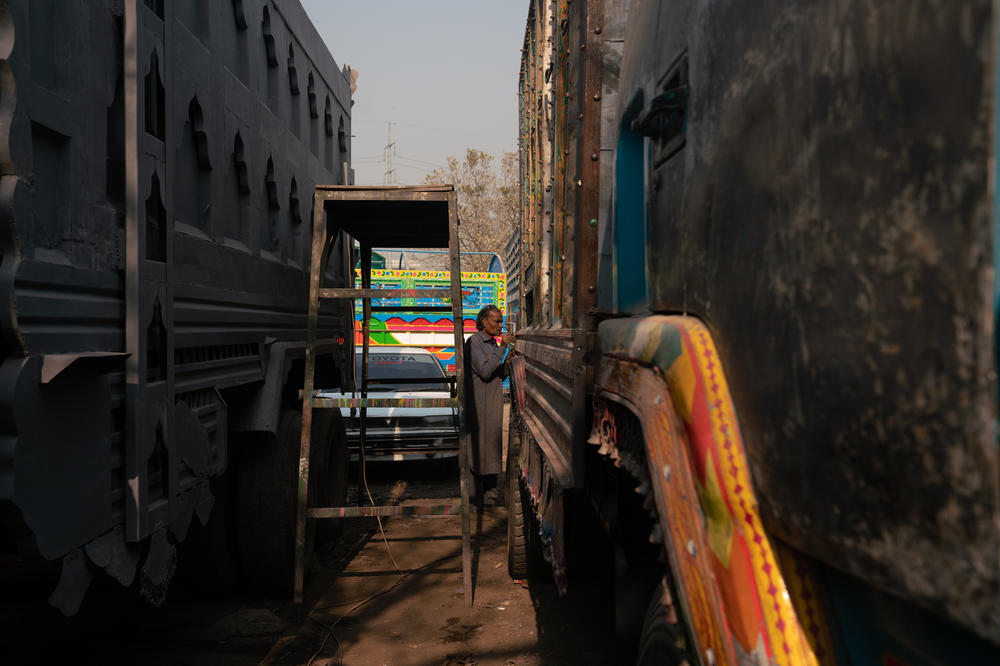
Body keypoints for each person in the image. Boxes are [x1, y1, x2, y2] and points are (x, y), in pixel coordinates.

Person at [464, 304, 515, 507]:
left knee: (492, 450)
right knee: (477, 452)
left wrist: (507, 362)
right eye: (497, 321)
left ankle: (491, 497)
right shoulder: (474, 342)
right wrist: (503, 348)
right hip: (478, 407)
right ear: (484, 322)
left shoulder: (493, 344)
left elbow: (496, 373)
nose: (500, 325)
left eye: (501, 321)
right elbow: (485, 371)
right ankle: (476, 499)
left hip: (492, 405)